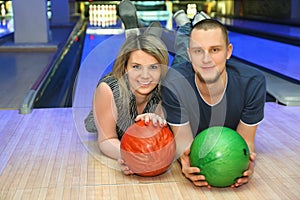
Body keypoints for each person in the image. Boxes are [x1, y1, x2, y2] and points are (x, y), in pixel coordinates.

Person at [161, 10, 266, 188]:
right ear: (191, 54)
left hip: (189, 72)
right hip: (183, 73)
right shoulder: (173, 83)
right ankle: (186, 26)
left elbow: (246, 141)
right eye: (198, 51)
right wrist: (185, 162)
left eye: (215, 50)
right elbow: (184, 143)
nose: (206, 59)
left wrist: (245, 161)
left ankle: (190, 25)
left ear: (229, 51)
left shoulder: (252, 83)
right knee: (179, 60)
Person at [86, 0, 169, 175]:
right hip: (106, 116)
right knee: (137, 55)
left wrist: (158, 122)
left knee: (145, 56)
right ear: (125, 68)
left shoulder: (165, 88)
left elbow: (163, 139)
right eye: (135, 67)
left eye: (154, 67)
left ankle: (144, 38)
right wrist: (131, 156)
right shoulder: (107, 89)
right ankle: (135, 35)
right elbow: (107, 139)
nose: (145, 75)